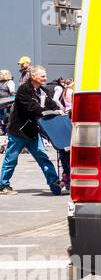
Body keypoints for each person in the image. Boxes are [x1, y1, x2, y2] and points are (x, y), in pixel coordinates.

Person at [0, 64, 63, 196]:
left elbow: (51, 104)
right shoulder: (24, 89)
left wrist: (59, 111)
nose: (45, 78)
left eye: (45, 75)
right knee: (11, 159)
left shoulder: (43, 91)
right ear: (33, 76)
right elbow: (31, 107)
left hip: (33, 132)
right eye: (43, 75)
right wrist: (49, 112)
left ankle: (54, 183)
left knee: (43, 157)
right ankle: (3, 186)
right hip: (18, 131)